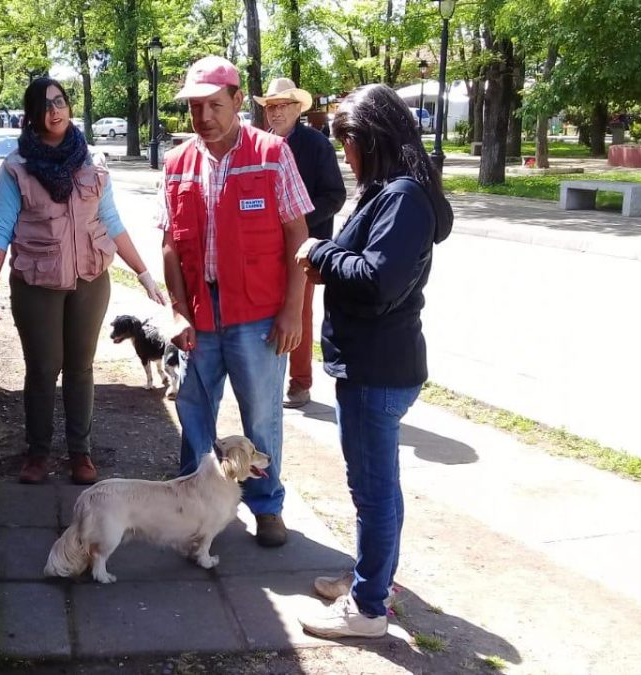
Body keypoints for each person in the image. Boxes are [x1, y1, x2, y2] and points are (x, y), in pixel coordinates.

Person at [295, 84, 452, 639]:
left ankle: (367, 609)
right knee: (376, 488)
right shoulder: (393, 191)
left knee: (374, 491)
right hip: (373, 362)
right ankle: (372, 578)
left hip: (376, 368)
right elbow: (369, 265)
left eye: (348, 145)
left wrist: (320, 252)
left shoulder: (404, 198)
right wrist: (334, 260)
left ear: (372, 139)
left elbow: (378, 279)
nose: (345, 156)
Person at [0, 77, 166, 485]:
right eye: (44, 106)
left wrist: (145, 273)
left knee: (80, 367)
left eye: (59, 102)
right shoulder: (16, 167)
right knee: (43, 368)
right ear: (31, 116)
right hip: (36, 282)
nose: (54, 111)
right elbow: (1, 226)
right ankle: (38, 453)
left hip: (90, 279)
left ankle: (81, 453)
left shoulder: (91, 160)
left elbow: (111, 221)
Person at [160, 56, 314, 548]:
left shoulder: (271, 154)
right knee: (194, 415)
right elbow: (170, 245)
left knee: (261, 416)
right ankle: (190, 506)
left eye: (213, 106)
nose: (203, 117)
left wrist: (293, 310)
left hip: (259, 318)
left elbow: (299, 237)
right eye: (195, 107)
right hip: (199, 317)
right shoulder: (177, 163)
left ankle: (266, 506)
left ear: (238, 102)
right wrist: (178, 310)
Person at [253, 77, 347, 408]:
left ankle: (300, 383)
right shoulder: (259, 145)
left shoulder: (316, 145)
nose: (275, 113)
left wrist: (297, 219)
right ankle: (268, 377)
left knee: (299, 313)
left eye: (281, 106)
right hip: (266, 246)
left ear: (297, 108)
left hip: (305, 247)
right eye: (270, 107)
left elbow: (336, 195)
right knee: (266, 311)